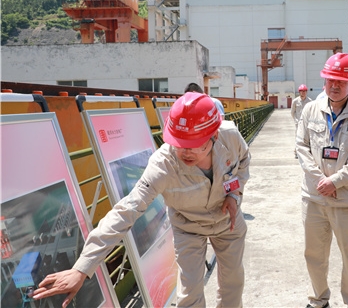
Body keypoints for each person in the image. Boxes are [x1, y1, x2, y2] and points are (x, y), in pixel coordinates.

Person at [33, 93, 250, 308]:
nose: (185, 152)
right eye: (178, 143)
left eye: (194, 144)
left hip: (227, 222)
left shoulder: (229, 137)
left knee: (233, 284)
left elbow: (243, 160)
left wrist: (233, 195)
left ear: (214, 135)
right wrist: (82, 267)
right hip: (188, 227)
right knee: (189, 293)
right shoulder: (163, 166)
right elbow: (127, 210)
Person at [296, 52, 348, 308]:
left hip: (347, 200)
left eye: (341, 81)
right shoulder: (310, 110)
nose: (335, 86)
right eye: (330, 80)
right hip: (314, 197)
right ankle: (318, 299)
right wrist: (321, 181)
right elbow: (301, 147)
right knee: (314, 254)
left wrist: (335, 182)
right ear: (324, 81)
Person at [291, 84, 312, 157]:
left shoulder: (310, 101)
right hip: (298, 123)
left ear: (306, 92)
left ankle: (307, 152)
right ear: (299, 92)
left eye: (304, 91)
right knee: (298, 137)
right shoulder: (295, 101)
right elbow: (292, 112)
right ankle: (296, 152)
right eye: (301, 91)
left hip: (307, 123)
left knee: (307, 138)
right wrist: (296, 120)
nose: (303, 93)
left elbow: (311, 112)